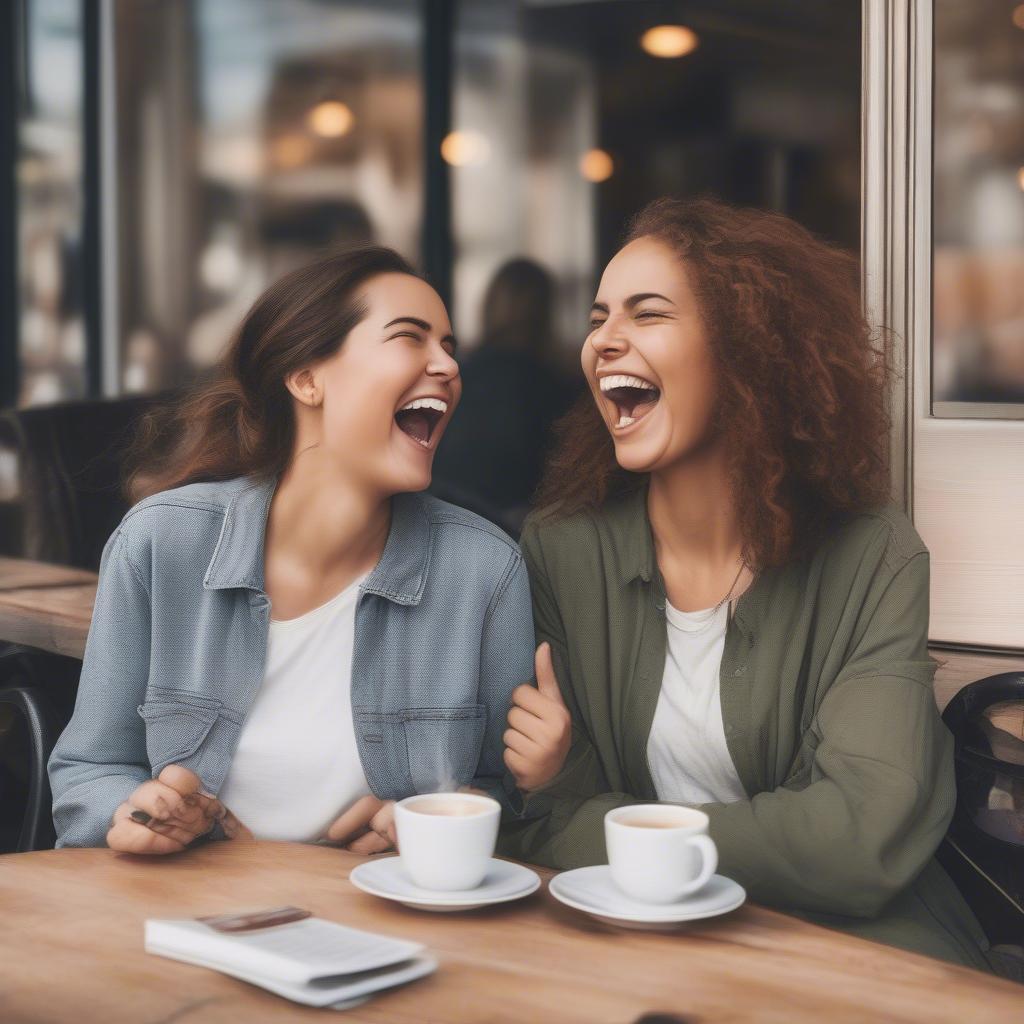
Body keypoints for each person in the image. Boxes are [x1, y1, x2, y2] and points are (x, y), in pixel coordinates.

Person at [499, 196, 1004, 975]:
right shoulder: (562, 549)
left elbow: (859, 841)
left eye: (648, 313)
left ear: (747, 350)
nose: (605, 340)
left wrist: (590, 819)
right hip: (639, 940)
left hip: (851, 951)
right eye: (598, 317)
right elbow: (526, 813)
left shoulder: (873, 556)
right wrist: (560, 801)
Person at [49, 245, 533, 854]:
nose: (447, 365)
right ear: (307, 378)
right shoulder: (158, 543)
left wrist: (431, 823)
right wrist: (135, 816)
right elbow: (88, 771)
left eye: (450, 347)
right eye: (411, 337)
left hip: (381, 921)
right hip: (179, 918)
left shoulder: (485, 572)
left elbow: (504, 796)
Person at [431, 259, 578, 530]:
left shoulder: (453, 378)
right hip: (521, 531)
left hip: (448, 524)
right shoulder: (560, 390)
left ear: (489, 306)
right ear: (546, 312)